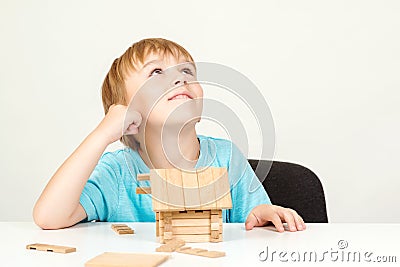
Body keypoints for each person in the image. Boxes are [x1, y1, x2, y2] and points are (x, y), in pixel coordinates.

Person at [33, 38, 306, 233]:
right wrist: (102, 134)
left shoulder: (226, 157)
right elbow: (48, 217)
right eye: (156, 72)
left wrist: (262, 216)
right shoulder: (116, 173)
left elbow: (254, 220)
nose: (179, 78)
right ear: (125, 110)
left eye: (186, 70)